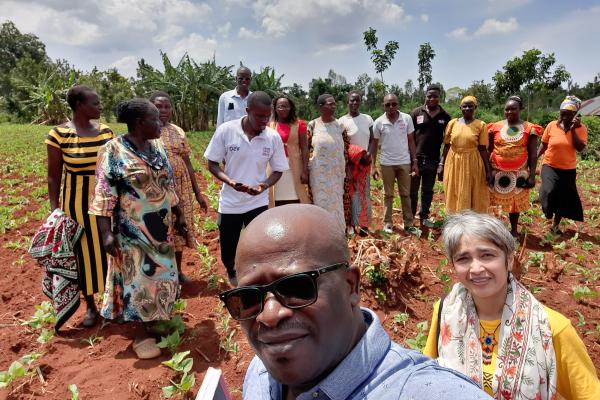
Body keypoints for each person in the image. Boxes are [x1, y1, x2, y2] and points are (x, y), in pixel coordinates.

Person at [218, 204, 493, 400]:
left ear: (351, 286)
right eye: (250, 297)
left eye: (297, 287)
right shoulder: (260, 374)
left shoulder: (428, 392)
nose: (269, 315)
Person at [424, 211, 600, 399]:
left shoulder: (551, 329)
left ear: (508, 260)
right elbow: (428, 379)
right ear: (453, 265)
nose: (476, 268)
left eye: (487, 255)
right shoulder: (445, 312)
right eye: (463, 259)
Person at [89, 98, 186, 359]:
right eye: (155, 119)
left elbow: (169, 186)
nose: (160, 122)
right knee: (139, 279)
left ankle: (157, 320)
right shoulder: (113, 150)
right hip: (133, 232)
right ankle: (141, 332)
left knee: (163, 276)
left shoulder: (157, 148)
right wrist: (106, 233)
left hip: (161, 229)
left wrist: (179, 215)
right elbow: (103, 196)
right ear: (140, 123)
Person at [45, 85, 114, 328]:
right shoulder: (59, 135)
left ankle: (114, 303)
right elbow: (54, 176)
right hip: (76, 204)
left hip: (105, 200)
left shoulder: (106, 132)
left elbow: (114, 167)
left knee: (111, 249)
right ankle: (91, 307)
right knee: (83, 254)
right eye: (95, 103)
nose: (99, 107)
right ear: (79, 106)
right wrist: (55, 210)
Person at [204, 91, 288, 286]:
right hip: (231, 202)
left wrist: (264, 185)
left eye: (268, 116)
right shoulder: (226, 131)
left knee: (260, 242)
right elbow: (212, 164)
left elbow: (278, 170)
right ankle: (232, 270)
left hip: (257, 201)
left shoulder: (272, 137)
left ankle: (256, 275)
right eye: (259, 116)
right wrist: (231, 182)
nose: (264, 121)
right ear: (248, 110)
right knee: (228, 246)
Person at [150, 91, 208, 283]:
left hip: (180, 188)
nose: (164, 110)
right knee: (159, 229)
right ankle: (161, 274)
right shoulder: (146, 131)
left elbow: (187, 161)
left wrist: (197, 192)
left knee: (179, 229)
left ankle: (178, 272)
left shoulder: (177, 130)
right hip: (156, 189)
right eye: (159, 106)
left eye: (167, 106)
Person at [488, 96, 541, 237]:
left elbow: (533, 154)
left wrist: (531, 175)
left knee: (514, 203)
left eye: (513, 109)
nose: (509, 112)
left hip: (519, 172)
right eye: (507, 109)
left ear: (520, 109)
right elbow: (489, 149)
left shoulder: (529, 128)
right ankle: (496, 231)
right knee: (495, 201)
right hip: (497, 171)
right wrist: (488, 171)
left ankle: (514, 230)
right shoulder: (495, 127)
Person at [537, 96, 588, 233]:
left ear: (575, 115)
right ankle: (548, 211)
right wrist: (535, 157)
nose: (564, 116)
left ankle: (555, 225)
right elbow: (544, 144)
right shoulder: (551, 126)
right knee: (549, 190)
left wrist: (572, 130)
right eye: (562, 113)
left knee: (563, 198)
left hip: (568, 169)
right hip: (550, 164)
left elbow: (580, 148)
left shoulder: (580, 128)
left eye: (568, 114)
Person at [372, 93, 418, 234]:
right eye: (387, 104)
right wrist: (373, 166)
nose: (391, 107)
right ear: (383, 106)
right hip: (387, 163)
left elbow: (411, 141)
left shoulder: (406, 118)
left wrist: (414, 161)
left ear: (398, 104)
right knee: (388, 194)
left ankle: (409, 223)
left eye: (394, 104)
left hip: (404, 162)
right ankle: (387, 223)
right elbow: (374, 145)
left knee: (405, 194)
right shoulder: (378, 122)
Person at [439, 95, 491, 213]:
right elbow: (447, 145)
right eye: (464, 106)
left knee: (472, 192)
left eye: (470, 106)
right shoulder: (453, 123)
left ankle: (471, 223)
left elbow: (483, 149)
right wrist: (441, 164)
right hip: (453, 162)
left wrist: (488, 170)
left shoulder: (480, 125)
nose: (467, 109)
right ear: (460, 107)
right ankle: (454, 221)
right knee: (453, 189)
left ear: (475, 107)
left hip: (472, 162)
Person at [410, 85, 452, 227]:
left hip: (433, 160)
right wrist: (411, 158)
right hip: (416, 159)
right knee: (412, 190)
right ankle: (410, 217)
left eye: (435, 96)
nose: (432, 99)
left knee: (427, 191)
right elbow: (409, 138)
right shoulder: (416, 113)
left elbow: (448, 142)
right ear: (425, 96)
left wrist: (442, 162)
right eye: (429, 96)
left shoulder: (445, 117)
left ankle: (423, 217)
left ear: (439, 98)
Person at [307, 94, 349, 234]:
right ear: (321, 107)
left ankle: (337, 234)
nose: (333, 106)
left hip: (336, 173)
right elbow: (306, 149)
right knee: (321, 202)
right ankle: (321, 234)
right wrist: (304, 171)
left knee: (337, 203)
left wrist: (347, 169)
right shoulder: (313, 125)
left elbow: (346, 149)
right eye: (330, 104)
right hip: (319, 175)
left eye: (334, 104)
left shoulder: (340, 126)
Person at [338, 91, 375, 235]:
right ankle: (351, 224)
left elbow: (372, 140)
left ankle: (364, 225)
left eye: (357, 100)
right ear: (347, 102)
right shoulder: (341, 121)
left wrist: (369, 155)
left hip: (365, 162)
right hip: (350, 163)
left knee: (364, 193)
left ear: (360, 102)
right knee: (351, 194)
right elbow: (342, 144)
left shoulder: (367, 119)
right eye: (351, 100)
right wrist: (348, 162)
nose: (354, 103)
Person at [269, 94, 310, 206]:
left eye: (286, 106)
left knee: (296, 196)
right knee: (275, 197)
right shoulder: (270, 125)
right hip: (275, 168)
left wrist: (305, 170)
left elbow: (305, 148)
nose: (284, 109)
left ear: (291, 108)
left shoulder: (299, 124)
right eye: (280, 106)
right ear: (275, 109)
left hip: (294, 167)